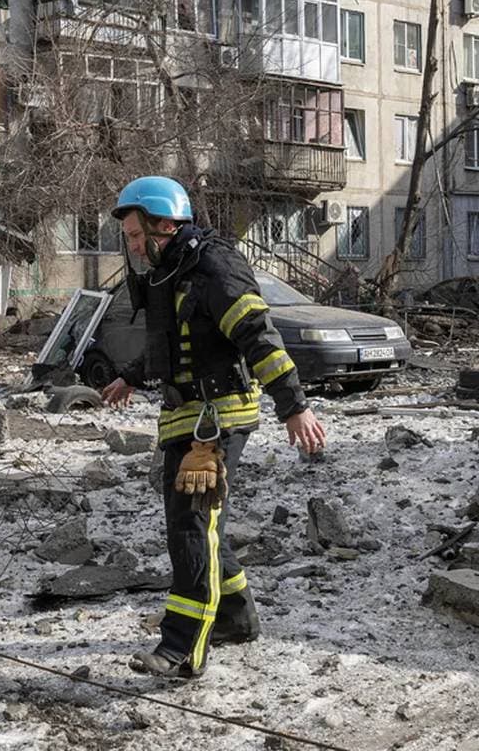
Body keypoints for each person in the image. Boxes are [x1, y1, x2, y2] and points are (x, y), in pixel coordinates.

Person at [96, 175, 327, 680]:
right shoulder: (169, 272)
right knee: (201, 524)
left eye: (138, 237)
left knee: (191, 525)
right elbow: (173, 342)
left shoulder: (213, 264)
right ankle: (236, 617)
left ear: (165, 223)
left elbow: (256, 334)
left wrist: (294, 406)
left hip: (219, 415)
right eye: (130, 239)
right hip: (186, 412)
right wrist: (130, 376)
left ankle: (181, 647)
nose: (134, 248)